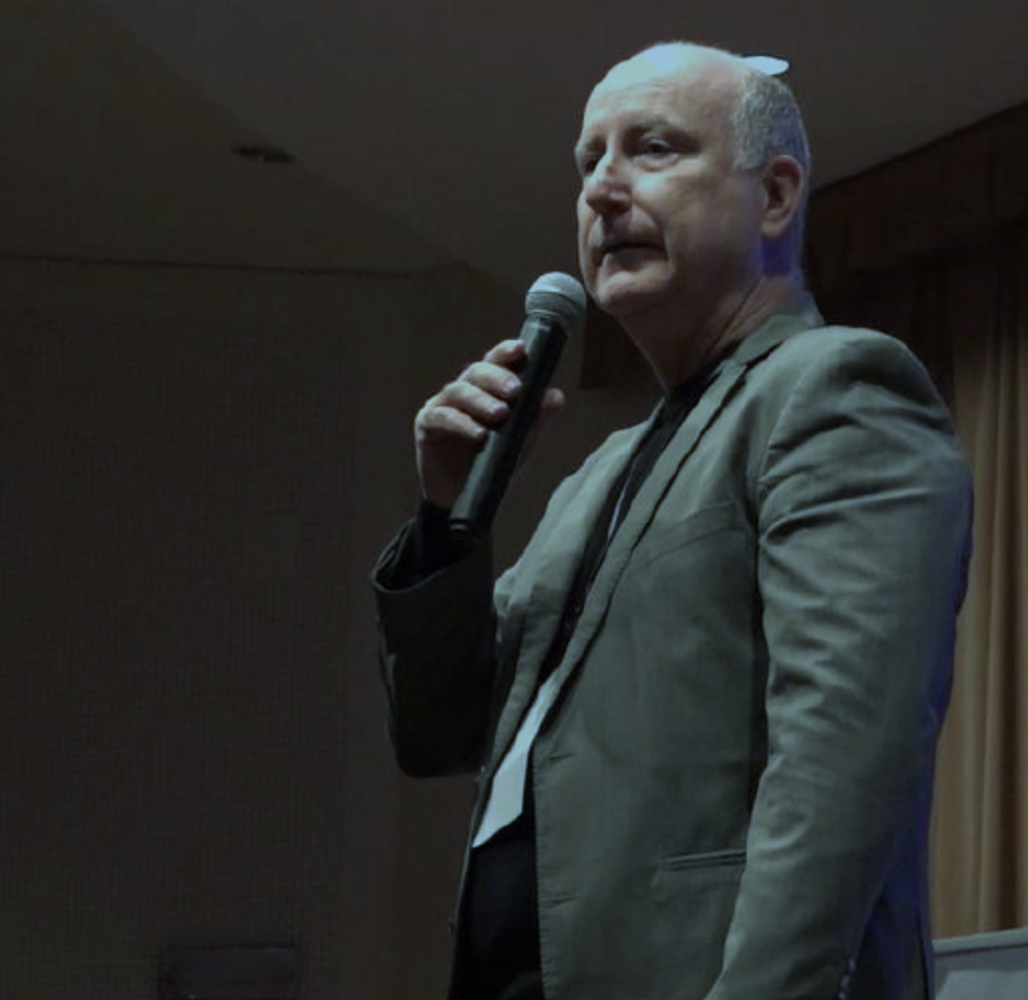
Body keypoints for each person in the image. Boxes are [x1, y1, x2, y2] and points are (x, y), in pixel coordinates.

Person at [374, 42, 972, 1000]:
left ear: (775, 196)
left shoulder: (835, 389)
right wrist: (447, 515)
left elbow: (844, 765)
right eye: (589, 163)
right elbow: (440, 733)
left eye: (652, 149)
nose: (603, 190)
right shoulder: (599, 474)